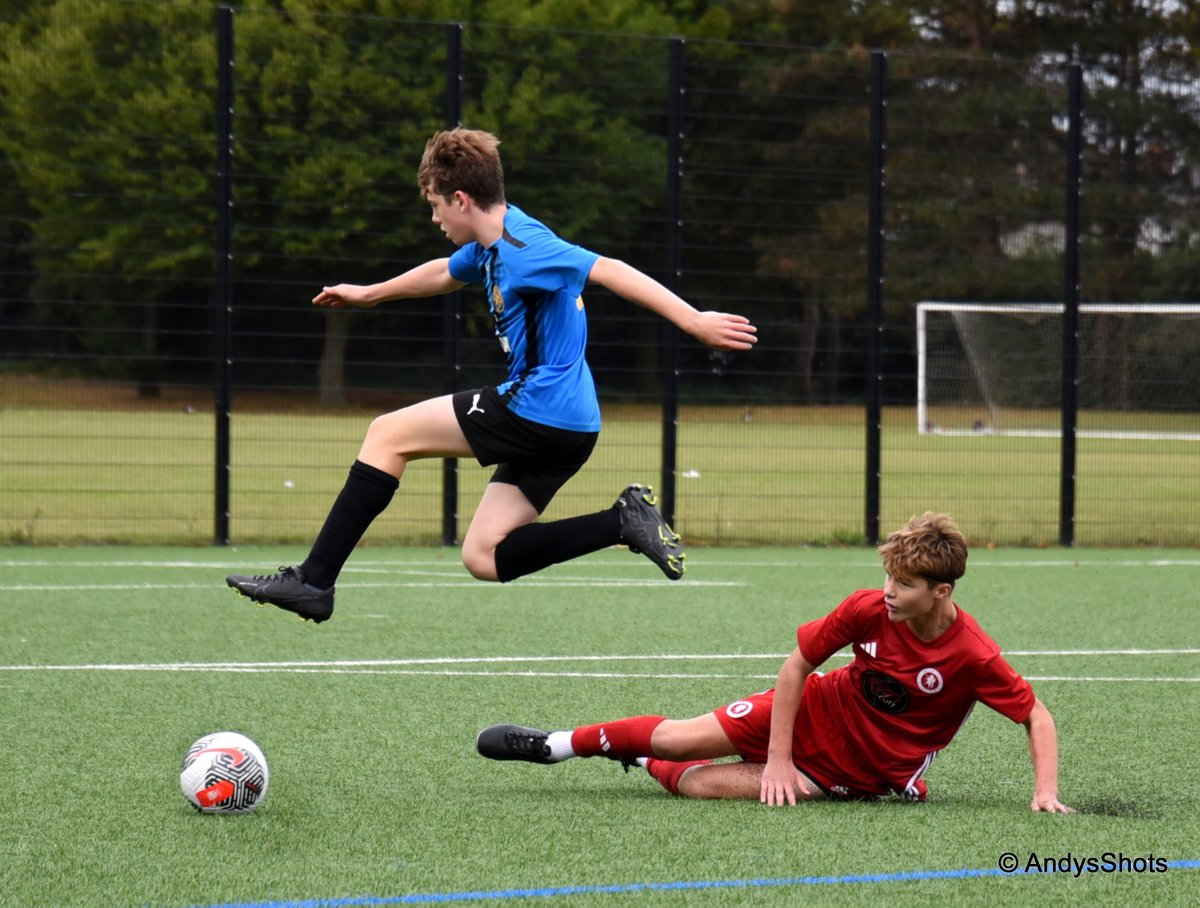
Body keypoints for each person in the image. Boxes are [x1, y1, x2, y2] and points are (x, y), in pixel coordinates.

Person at [226, 128, 758, 623]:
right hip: (571, 428)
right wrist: (368, 293)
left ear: (460, 198)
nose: (434, 219)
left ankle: (314, 582)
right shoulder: (491, 244)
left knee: (387, 433)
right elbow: (443, 272)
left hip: (538, 408)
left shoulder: (526, 249)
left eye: (436, 205)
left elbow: (608, 268)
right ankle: (620, 521)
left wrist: (693, 320)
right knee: (484, 555)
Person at [477, 512, 1074, 813]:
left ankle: (637, 755)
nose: (889, 591)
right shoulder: (866, 608)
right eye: (888, 576)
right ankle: (554, 745)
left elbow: (1036, 716)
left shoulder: (971, 653)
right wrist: (778, 759)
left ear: (941, 592)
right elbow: (796, 669)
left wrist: (1044, 792)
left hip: (860, 772)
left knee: (700, 784)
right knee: (683, 740)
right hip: (813, 712)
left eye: (906, 583)